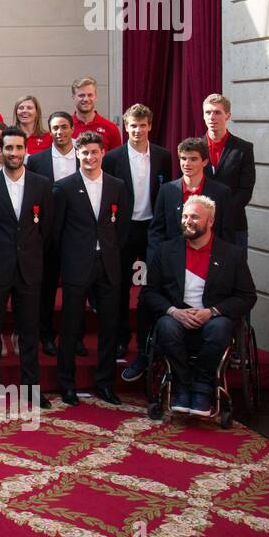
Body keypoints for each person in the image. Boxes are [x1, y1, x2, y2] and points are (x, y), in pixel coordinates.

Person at [142, 196, 257, 417]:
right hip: (177, 318)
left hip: (214, 319)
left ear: (210, 221)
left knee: (220, 327)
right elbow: (150, 293)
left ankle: (203, 388)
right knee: (165, 326)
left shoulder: (232, 255)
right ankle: (182, 387)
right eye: (185, 216)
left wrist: (212, 312)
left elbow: (246, 296)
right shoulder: (166, 251)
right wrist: (174, 311)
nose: (188, 221)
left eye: (194, 217)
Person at [0, 128, 54, 405]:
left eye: (19, 148)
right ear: (0, 150)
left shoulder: (41, 185)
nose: (14, 153)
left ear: (25, 150)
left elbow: (46, 229)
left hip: (30, 269)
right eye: (9, 148)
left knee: (30, 332)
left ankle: (32, 386)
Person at [51, 131, 126, 406]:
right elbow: (56, 231)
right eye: (85, 153)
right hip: (76, 265)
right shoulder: (64, 187)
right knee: (70, 327)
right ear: (77, 155)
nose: (90, 157)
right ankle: (66, 384)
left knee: (109, 327)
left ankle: (105, 383)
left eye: (95, 152)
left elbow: (122, 227)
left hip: (107, 264)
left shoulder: (117, 186)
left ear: (103, 153)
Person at [103, 103, 172, 367]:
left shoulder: (164, 156)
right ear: (125, 126)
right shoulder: (112, 158)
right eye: (133, 125)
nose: (138, 130)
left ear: (150, 126)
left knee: (154, 285)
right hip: (124, 229)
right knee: (119, 285)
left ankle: (152, 337)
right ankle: (122, 337)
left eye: (143, 125)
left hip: (153, 228)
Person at [29, 110, 78, 356]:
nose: (59, 132)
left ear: (72, 129)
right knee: (46, 287)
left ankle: (75, 337)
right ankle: (46, 335)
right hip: (47, 232)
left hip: (78, 232)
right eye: (55, 128)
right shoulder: (37, 161)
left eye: (64, 127)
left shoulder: (84, 156)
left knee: (76, 289)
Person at [149, 137, 233, 258]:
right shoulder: (166, 191)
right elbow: (156, 232)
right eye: (183, 158)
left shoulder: (221, 193)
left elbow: (226, 235)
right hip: (173, 263)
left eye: (193, 159)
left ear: (205, 162)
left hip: (209, 261)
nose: (187, 164)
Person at [202, 93, 255, 248]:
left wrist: (219, 214)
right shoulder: (194, 148)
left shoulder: (243, 149)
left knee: (234, 271)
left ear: (228, 116)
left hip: (234, 225)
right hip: (201, 226)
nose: (212, 117)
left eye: (217, 112)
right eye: (208, 112)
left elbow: (245, 190)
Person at [69, 76, 122, 150]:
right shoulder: (65, 128)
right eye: (81, 95)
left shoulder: (111, 129)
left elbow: (117, 160)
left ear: (95, 97)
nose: (86, 99)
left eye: (90, 95)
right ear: (73, 97)